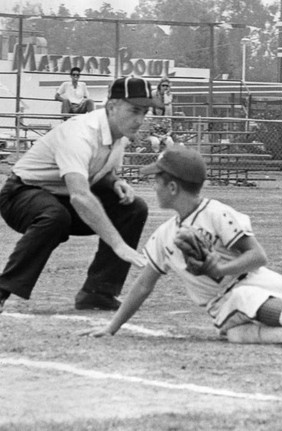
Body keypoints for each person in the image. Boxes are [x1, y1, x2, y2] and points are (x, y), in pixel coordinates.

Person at [81, 146, 282, 344]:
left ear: (172, 187)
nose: (153, 185)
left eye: (156, 180)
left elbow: (258, 257)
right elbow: (143, 285)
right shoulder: (163, 236)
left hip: (260, 280)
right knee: (241, 307)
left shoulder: (216, 213)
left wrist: (221, 269)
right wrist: (111, 327)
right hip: (223, 302)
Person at [0, 76, 164, 313]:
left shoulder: (119, 134)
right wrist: (118, 244)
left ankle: (98, 292)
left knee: (133, 207)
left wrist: (114, 181)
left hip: (60, 195)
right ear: (112, 106)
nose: (140, 119)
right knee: (55, 216)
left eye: (145, 111)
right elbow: (80, 196)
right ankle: (3, 288)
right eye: (134, 110)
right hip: (20, 194)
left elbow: (94, 170)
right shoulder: (81, 133)